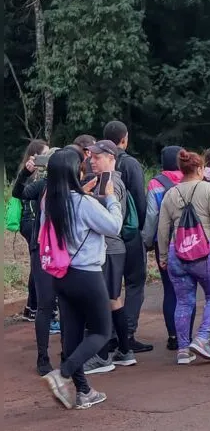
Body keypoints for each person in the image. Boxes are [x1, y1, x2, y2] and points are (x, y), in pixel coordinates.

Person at [41, 149, 123, 410]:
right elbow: (113, 227)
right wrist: (110, 199)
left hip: (61, 275)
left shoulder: (50, 203)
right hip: (87, 275)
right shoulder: (83, 203)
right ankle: (62, 373)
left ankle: (83, 392)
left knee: (72, 336)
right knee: (100, 330)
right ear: (74, 172)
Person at [157, 150, 210, 365]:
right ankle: (202, 337)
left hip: (176, 254)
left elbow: (163, 228)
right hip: (204, 254)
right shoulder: (208, 189)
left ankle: (182, 350)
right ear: (199, 169)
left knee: (183, 301)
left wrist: (162, 256)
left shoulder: (170, 194)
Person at [81, 140, 137, 374]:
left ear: (111, 158)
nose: (92, 160)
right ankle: (124, 350)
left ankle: (102, 356)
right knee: (113, 299)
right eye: (91, 157)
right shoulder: (106, 181)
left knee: (103, 301)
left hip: (109, 248)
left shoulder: (110, 183)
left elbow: (109, 219)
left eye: (97, 157)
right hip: (113, 248)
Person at [11, 139, 60, 375]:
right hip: (42, 249)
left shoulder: (76, 185)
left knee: (56, 304)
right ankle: (43, 357)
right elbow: (18, 192)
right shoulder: (43, 184)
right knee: (45, 304)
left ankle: (62, 354)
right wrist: (25, 172)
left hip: (59, 251)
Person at [102, 120, 151, 354]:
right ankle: (128, 332)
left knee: (110, 285)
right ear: (125, 138)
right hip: (128, 232)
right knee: (134, 282)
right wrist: (142, 230)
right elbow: (140, 201)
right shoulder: (130, 164)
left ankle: (109, 332)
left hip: (105, 233)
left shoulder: (98, 162)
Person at [141, 146, 189, 351]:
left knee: (170, 291)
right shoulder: (193, 179)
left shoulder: (155, 184)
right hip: (193, 243)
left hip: (167, 243)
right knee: (188, 292)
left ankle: (173, 336)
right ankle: (187, 336)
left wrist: (147, 241)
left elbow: (152, 216)